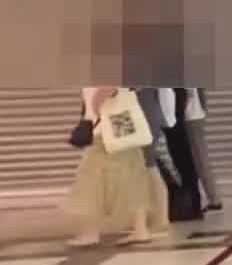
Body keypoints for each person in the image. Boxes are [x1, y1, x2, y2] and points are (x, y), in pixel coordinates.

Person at [67, 87, 167, 247]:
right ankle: (140, 229)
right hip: (121, 120)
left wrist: (93, 113)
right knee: (132, 173)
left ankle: (91, 232)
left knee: (91, 179)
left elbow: (109, 86)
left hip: (106, 125)